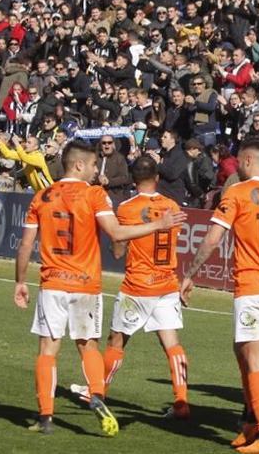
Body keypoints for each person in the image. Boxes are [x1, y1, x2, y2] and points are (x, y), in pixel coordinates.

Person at [13, 140, 186, 436]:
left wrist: (20, 281)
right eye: (94, 165)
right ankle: (97, 393)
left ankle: (45, 417)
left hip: (54, 281)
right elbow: (116, 233)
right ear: (79, 165)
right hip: (87, 284)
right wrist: (158, 225)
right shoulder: (95, 195)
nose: (96, 171)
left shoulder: (42, 196)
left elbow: (26, 244)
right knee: (89, 345)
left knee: (47, 349)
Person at [179, 140, 259, 454]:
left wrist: (190, 274)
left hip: (254, 287)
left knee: (253, 360)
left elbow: (213, 238)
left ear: (244, 162)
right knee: (243, 353)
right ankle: (252, 422)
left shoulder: (238, 193)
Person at [69, 156, 189, 419]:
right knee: (172, 344)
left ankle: (97, 391)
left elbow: (119, 249)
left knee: (116, 340)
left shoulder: (126, 208)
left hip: (138, 285)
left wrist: (119, 243)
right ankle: (182, 402)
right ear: (157, 177)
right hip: (167, 283)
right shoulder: (172, 206)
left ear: (133, 180)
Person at [97, 134, 132, 205]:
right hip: (97, 195)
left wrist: (108, 182)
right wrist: (97, 179)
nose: (107, 145)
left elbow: (124, 178)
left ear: (113, 144)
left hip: (114, 196)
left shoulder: (120, 158)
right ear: (101, 145)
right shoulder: (96, 158)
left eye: (109, 143)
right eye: (104, 143)